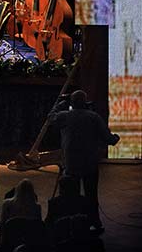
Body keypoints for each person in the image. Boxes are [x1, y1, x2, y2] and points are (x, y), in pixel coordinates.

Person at [47, 89, 120, 231]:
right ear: (85, 103)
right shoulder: (94, 117)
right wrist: (116, 137)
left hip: (71, 163)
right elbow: (109, 139)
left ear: (72, 103)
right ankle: (94, 222)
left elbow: (50, 118)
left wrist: (59, 105)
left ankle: (69, 223)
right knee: (91, 195)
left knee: (69, 195)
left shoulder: (64, 116)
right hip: (89, 164)